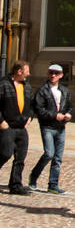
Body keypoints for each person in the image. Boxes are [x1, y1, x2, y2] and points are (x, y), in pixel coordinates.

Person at [29, 63, 73, 194]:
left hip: (60, 128)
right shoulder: (42, 91)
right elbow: (39, 110)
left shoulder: (65, 91)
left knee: (58, 158)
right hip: (47, 127)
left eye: (56, 73)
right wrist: (55, 116)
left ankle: (53, 185)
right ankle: (34, 176)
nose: (53, 75)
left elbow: (69, 106)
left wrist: (68, 114)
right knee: (49, 153)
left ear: (61, 75)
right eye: (51, 73)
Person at [0, 60, 34, 195]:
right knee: (4, 153)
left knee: (20, 157)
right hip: (7, 126)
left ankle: (15, 185)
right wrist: (1, 121)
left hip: (21, 127)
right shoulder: (3, 83)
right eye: (27, 71)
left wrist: (30, 116)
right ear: (19, 71)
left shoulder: (27, 86)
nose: (29, 74)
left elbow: (31, 104)